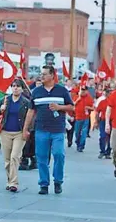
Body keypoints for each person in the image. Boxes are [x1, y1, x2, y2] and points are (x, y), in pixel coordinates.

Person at [23, 65, 74, 195]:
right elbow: (31, 111)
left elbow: (71, 107)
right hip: (41, 129)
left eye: (45, 74)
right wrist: (25, 128)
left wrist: (59, 107)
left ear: (52, 75)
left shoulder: (62, 91)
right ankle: (44, 184)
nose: (42, 76)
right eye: (41, 74)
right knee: (41, 157)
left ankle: (58, 181)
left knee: (59, 154)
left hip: (57, 130)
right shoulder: (36, 91)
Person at [0, 79, 31, 192]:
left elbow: (30, 117)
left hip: (19, 132)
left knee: (14, 157)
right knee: (7, 159)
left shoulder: (25, 102)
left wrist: (27, 130)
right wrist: (1, 109)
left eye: (18, 86)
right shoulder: (5, 99)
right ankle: (9, 180)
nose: (15, 88)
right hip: (5, 132)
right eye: (13, 86)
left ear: (22, 88)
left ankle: (14, 183)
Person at [73, 83, 94, 152]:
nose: (83, 91)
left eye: (84, 90)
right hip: (78, 117)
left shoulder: (89, 98)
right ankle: (77, 142)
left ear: (87, 91)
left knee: (84, 132)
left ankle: (81, 146)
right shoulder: (76, 96)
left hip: (86, 118)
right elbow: (72, 105)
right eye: (82, 90)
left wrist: (89, 107)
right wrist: (78, 99)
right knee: (77, 132)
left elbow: (93, 108)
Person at [95, 89, 111, 159]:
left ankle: (108, 152)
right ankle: (102, 151)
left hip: (112, 121)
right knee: (102, 136)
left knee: (110, 138)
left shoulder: (115, 102)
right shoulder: (102, 102)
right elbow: (97, 111)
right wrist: (96, 121)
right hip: (103, 121)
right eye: (108, 93)